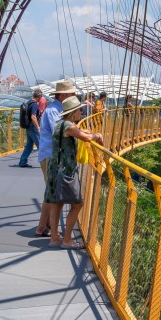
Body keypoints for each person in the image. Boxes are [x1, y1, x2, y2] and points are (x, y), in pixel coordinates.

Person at [46, 96, 104, 248]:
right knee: (78, 204)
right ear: (74, 112)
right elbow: (85, 137)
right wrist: (97, 136)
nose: (82, 112)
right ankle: (67, 240)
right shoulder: (69, 127)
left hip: (55, 167)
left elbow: (76, 131)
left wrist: (82, 130)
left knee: (57, 203)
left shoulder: (60, 124)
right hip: (66, 169)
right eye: (80, 110)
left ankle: (54, 238)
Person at [35, 92, 61, 237]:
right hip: (50, 156)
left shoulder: (56, 109)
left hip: (51, 155)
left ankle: (46, 225)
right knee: (52, 193)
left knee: (52, 192)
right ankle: (43, 226)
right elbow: (57, 132)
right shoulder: (53, 110)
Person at [17, 89, 44, 168]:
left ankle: (22, 161)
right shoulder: (34, 104)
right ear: (39, 96)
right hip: (33, 127)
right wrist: (38, 127)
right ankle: (45, 163)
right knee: (41, 144)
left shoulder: (28, 103)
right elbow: (33, 116)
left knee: (29, 145)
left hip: (28, 127)